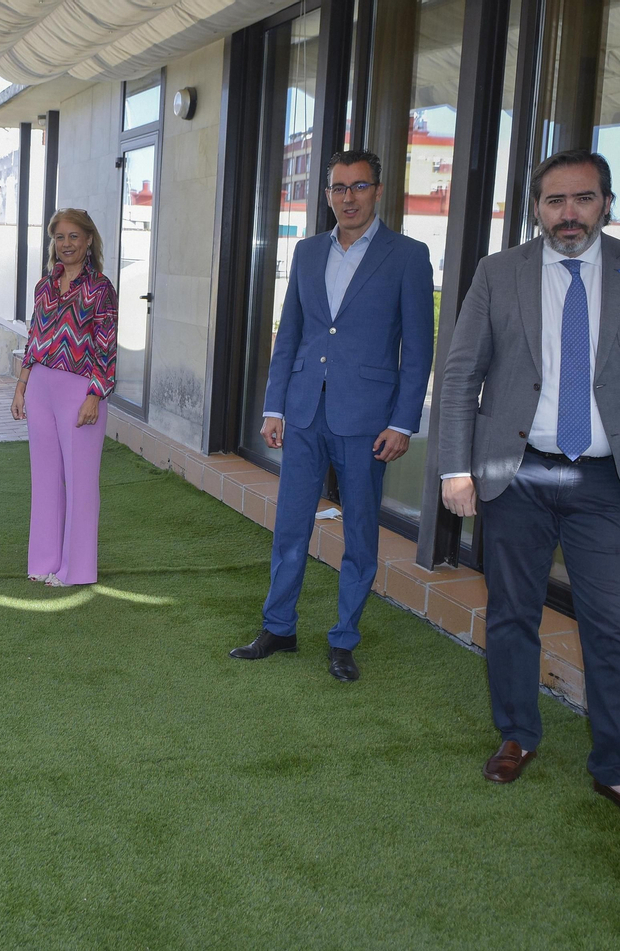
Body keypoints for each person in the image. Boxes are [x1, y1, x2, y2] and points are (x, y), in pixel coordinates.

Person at [438, 149, 620, 832]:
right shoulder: (499, 273)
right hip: (515, 472)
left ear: (607, 203)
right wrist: (455, 469)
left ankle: (618, 768)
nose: (569, 213)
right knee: (511, 612)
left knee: (615, 626)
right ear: (536, 209)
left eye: (583, 198)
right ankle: (518, 732)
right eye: (555, 201)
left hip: (608, 482)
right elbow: (462, 374)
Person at [228, 149, 434, 682]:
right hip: (303, 411)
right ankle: (279, 626)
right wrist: (274, 405)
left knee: (360, 533)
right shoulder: (306, 252)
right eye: (338, 188)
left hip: (368, 418)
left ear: (378, 191)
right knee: (290, 526)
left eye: (359, 186)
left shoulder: (408, 256)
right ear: (326, 195)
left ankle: (344, 639)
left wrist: (403, 422)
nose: (348, 198)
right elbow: (290, 330)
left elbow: (418, 349)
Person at [10, 208, 118, 587]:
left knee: (81, 481)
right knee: (45, 478)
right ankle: (44, 561)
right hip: (40, 385)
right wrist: (21, 385)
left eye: (74, 236)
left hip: (80, 390)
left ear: (89, 241)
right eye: (60, 237)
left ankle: (77, 570)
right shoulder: (44, 285)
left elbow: (106, 349)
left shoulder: (101, 288)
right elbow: (34, 340)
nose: (66, 244)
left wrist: (95, 395)